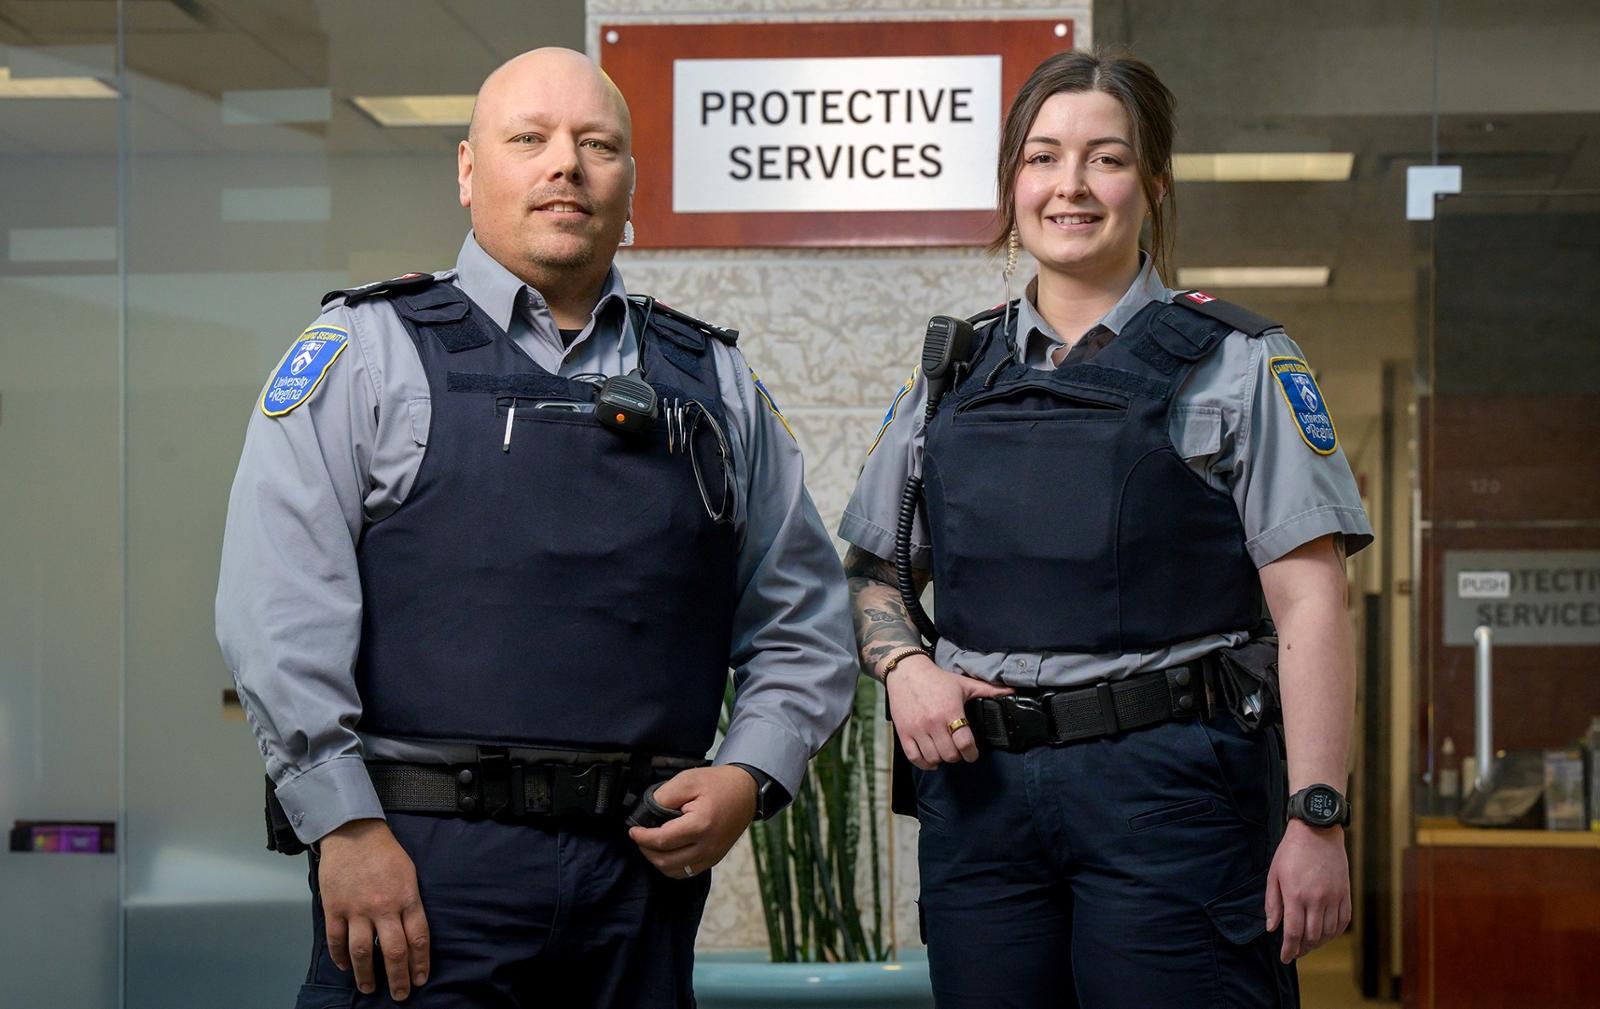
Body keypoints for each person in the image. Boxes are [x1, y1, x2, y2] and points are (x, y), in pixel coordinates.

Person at [216, 47, 856, 1008]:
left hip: (639, 885)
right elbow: (276, 605)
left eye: (597, 144)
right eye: (531, 139)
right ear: (470, 171)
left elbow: (804, 621)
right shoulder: (364, 353)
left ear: (630, 183)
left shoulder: (714, 382)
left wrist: (750, 771)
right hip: (419, 878)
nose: (566, 164)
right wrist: (341, 827)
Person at [840, 47, 1372, 1008]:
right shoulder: (951, 374)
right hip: (984, 799)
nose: (1069, 186)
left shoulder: (1241, 363)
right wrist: (905, 668)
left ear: (1153, 186)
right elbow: (872, 567)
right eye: (1042, 158)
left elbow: (1313, 605)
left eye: (1106, 158)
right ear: (1013, 184)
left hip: (1171, 800)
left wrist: (1318, 817)